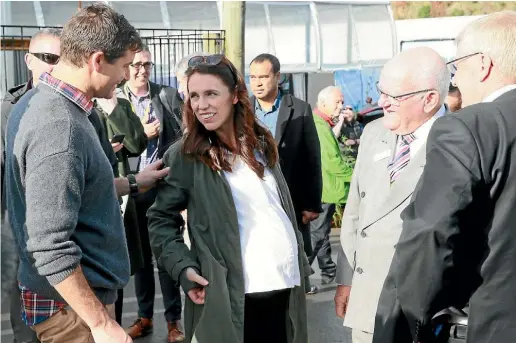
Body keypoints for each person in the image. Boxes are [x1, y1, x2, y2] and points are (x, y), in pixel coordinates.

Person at [4, 4, 149, 342]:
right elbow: (50, 245)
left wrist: (135, 182)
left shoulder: (40, 101)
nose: (127, 76)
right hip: (72, 312)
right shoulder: (60, 126)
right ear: (97, 60)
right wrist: (101, 323)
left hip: (71, 305)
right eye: (125, 66)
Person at [372, 11, 516, 343]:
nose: (455, 79)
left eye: (457, 64)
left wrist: (412, 317)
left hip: (488, 324)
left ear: (483, 64)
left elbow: (431, 233)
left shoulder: (469, 126)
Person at [147, 54, 311, 343]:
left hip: (285, 284)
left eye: (211, 93)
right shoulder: (186, 155)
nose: (201, 104)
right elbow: (160, 221)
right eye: (194, 95)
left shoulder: (260, 143)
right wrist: (183, 267)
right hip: (232, 294)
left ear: (235, 95)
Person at [334, 47, 449, 343]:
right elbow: (356, 213)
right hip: (368, 299)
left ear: (430, 99)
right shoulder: (374, 133)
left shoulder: (458, 140)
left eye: (393, 96)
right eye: (381, 91)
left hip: (423, 309)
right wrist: (346, 279)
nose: (382, 102)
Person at [119, 45, 185, 342]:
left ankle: (174, 321)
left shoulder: (166, 95)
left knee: (166, 254)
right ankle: (145, 317)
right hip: (130, 187)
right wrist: (139, 136)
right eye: (135, 64)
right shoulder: (116, 98)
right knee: (140, 259)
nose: (141, 69)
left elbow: (184, 136)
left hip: (161, 186)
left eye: (146, 64)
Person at [0, 27, 62, 343]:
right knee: (26, 329)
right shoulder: (7, 112)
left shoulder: (75, 108)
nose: (55, 66)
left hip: (65, 240)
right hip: (21, 236)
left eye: (63, 59)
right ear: (29, 60)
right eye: (48, 58)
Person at [249, 53, 322, 294]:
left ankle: (294, 299)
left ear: (277, 77)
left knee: (293, 256)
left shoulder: (299, 109)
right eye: (253, 77)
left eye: (263, 77)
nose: (258, 83)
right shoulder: (242, 110)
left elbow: (312, 158)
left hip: (290, 197)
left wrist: (311, 204)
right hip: (253, 199)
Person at [95, 90, 148, 325]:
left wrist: (113, 109)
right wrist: (104, 148)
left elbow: (137, 143)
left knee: (117, 270)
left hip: (122, 197)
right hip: (97, 198)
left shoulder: (122, 105)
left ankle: (115, 326)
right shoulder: (83, 105)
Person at [310, 86, 353, 286]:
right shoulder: (320, 126)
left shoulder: (321, 123)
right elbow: (333, 162)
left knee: (321, 233)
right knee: (318, 235)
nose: (341, 106)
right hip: (327, 189)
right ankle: (301, 277)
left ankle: (328, 271)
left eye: (342, 101)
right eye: (337, 102)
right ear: (323, 103)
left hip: (323, 187)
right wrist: (356, 176)